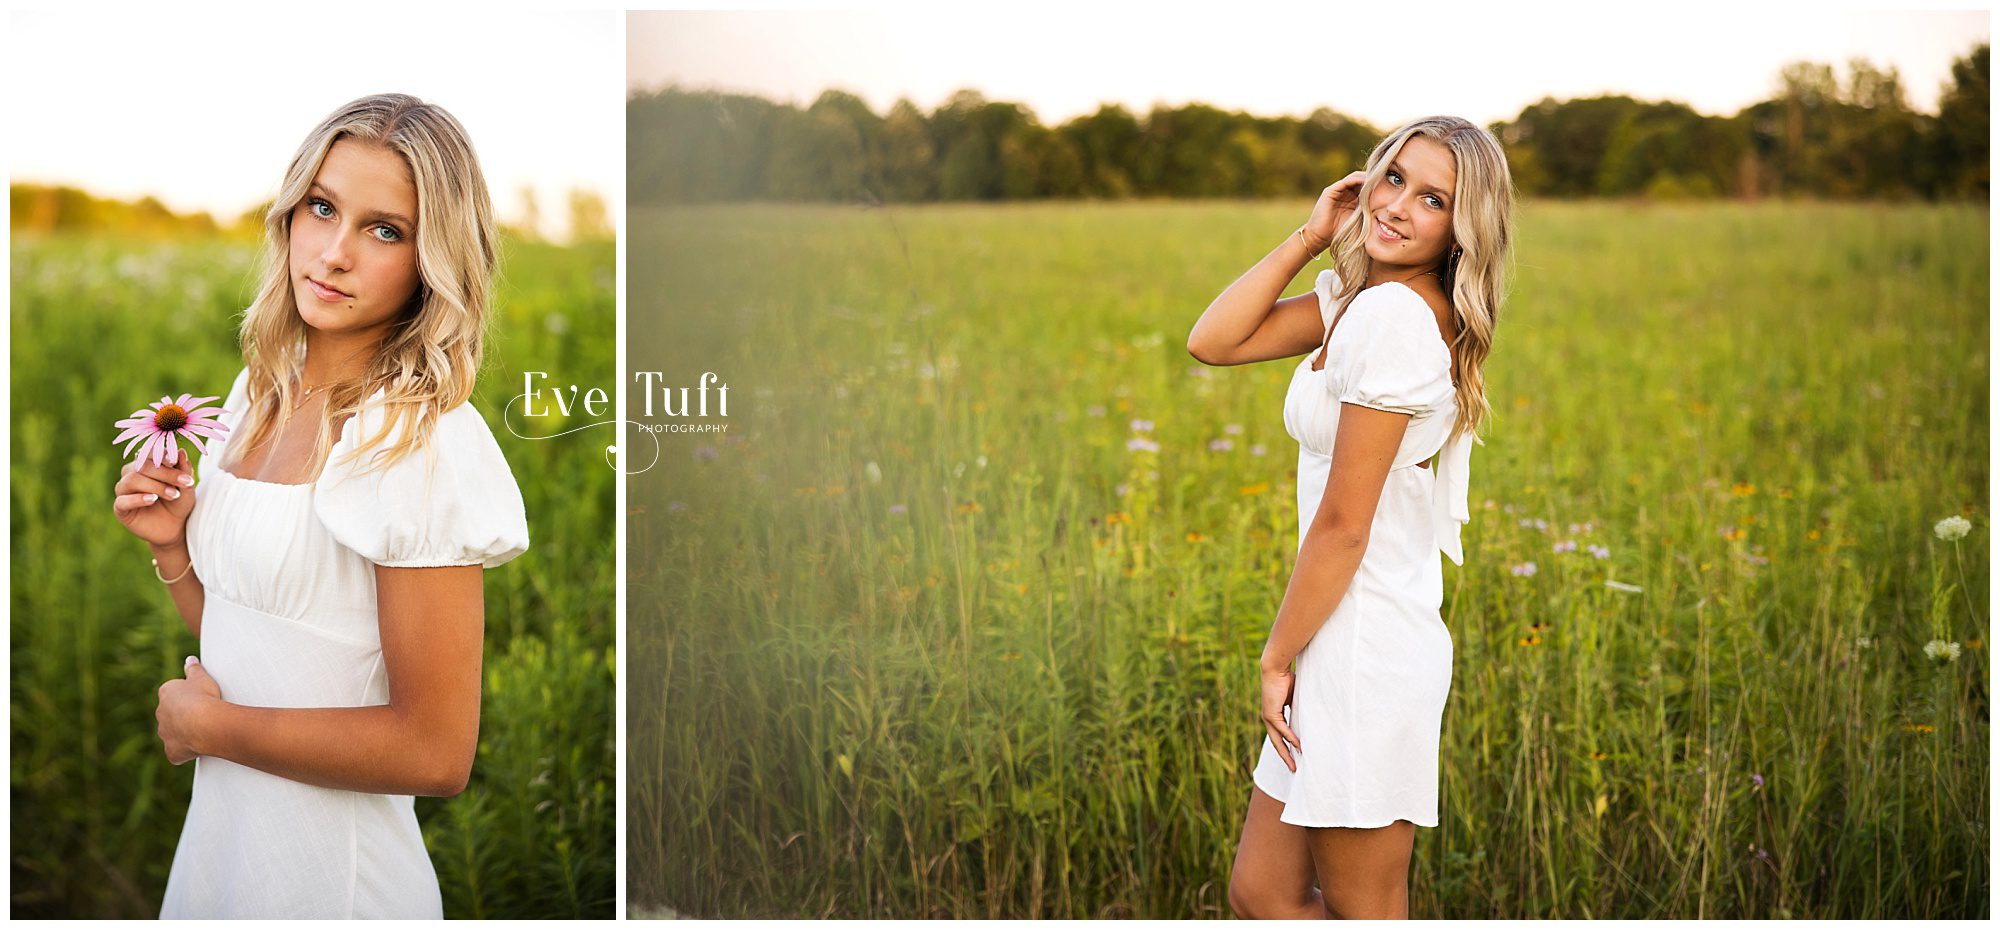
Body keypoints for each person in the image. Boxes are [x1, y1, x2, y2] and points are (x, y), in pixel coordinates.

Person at [109, 93, 530, 919]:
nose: (333, 252)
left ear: (431, 259)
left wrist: (210, 733)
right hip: (226, 850)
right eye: (323, 207)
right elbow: (265, 645)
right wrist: (174, 553)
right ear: (290, 213)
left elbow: (436, 751)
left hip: (334, 882)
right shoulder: (257, 391)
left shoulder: (417, 437)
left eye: (384, 230)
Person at [1186, 115, 1514, 919]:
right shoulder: (1360, 301)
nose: (1399, 206)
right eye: (1394, 178)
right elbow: (1214, 341)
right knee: (1263, 893)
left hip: (1364, 646)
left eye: (1433, 198)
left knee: (1365, 910)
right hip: (1338, 634)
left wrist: (1276, 656)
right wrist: (1311, 235)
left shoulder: (1394, 321)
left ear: (1461, 229)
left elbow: (1344, 524)